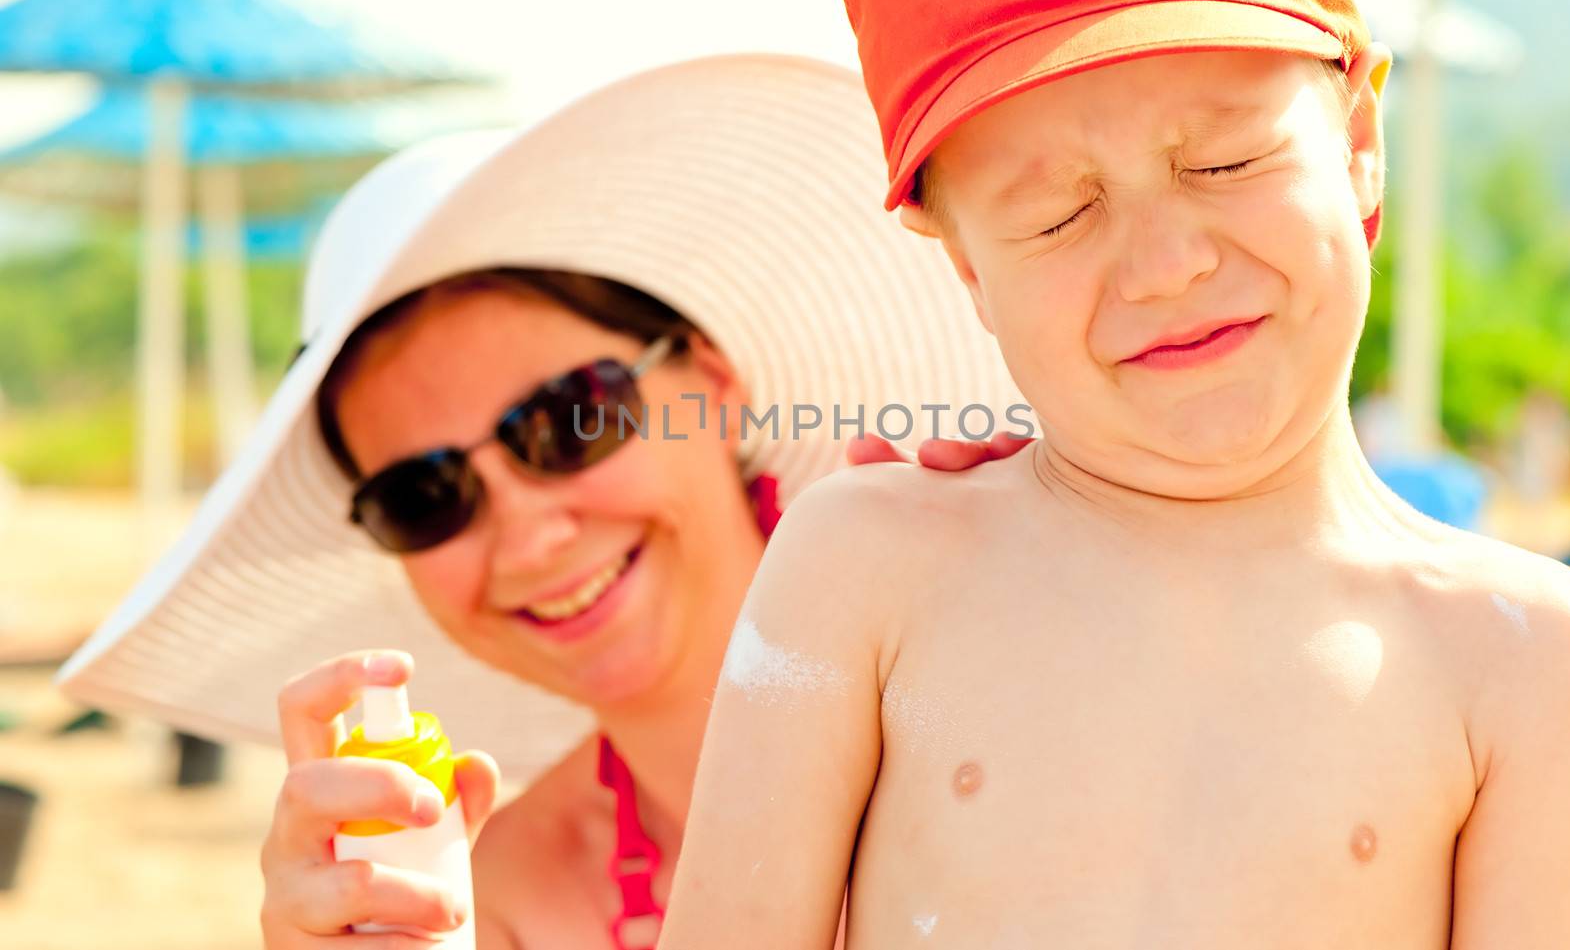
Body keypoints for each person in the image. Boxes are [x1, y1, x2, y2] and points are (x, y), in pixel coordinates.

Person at [659, 0, 1570, 947]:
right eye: (1056, 214)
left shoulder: (1522, 659)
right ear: (968, 267)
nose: (1164, 265)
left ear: (1358, 138)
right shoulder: (867, 570)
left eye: (1223, 162)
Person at [55, 55, 1022, 949]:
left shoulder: (1015, 661)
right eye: (423, 496)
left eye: (571, 418)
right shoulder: (498, 900)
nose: (525, 528)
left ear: (715, 388)